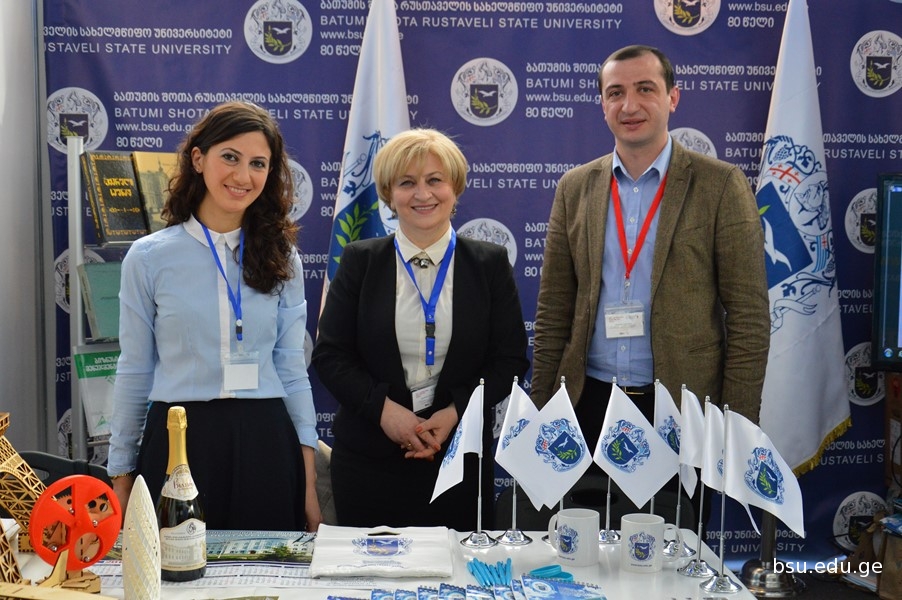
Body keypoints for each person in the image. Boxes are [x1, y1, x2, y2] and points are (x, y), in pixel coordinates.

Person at [531, 45, 770, 516]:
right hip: (587, 406)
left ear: (673, 97)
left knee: (672, 552)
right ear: (602, 104)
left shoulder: (720, 184)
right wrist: (543, 408)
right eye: (615, 93)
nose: (629, 105)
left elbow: (749, 317)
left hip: (680, 411)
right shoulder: (575, 187)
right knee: (583, 549)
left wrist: (735, 424)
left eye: (645, 89)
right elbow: (554, 309)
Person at [107, 101, 321, 532]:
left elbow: (292, 370)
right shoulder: (148, 258)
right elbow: (134, 369)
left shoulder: (283, 258)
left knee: (268, 569)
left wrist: (310, 483)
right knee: (175, 568)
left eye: (258, 163)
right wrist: (121, 474)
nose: (243, 176)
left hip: (266, 442)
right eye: (230, 157)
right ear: (198, 159)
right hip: (178, 440)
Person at [312, 128, 529, 531]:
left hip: (458, 459)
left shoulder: (489, 264)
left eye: (434, 180)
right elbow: (330, 356)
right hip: (368, 462)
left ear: (455, 187)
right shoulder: (360, 261)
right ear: (388, 193)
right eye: (407, 182)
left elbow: (510, 360)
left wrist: (455, 412)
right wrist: (383, 411)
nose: (422, 194)